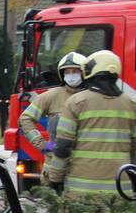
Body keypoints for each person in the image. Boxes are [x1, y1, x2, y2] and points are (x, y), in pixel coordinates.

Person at [49, 50, 136, 195]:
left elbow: (63, 147)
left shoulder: (76, 102)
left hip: (81, 190)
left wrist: (55, 179)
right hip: (121, 189)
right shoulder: (131, 104)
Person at [18, 52, 87, 185]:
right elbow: (25, 119)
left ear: (84, 73)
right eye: (68, 72)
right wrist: (41, 144)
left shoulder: (91, 97)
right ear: (62, 75)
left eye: (75, 71)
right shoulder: (50, 96)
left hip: (82, 169)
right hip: (54, 168)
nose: (71, 75)